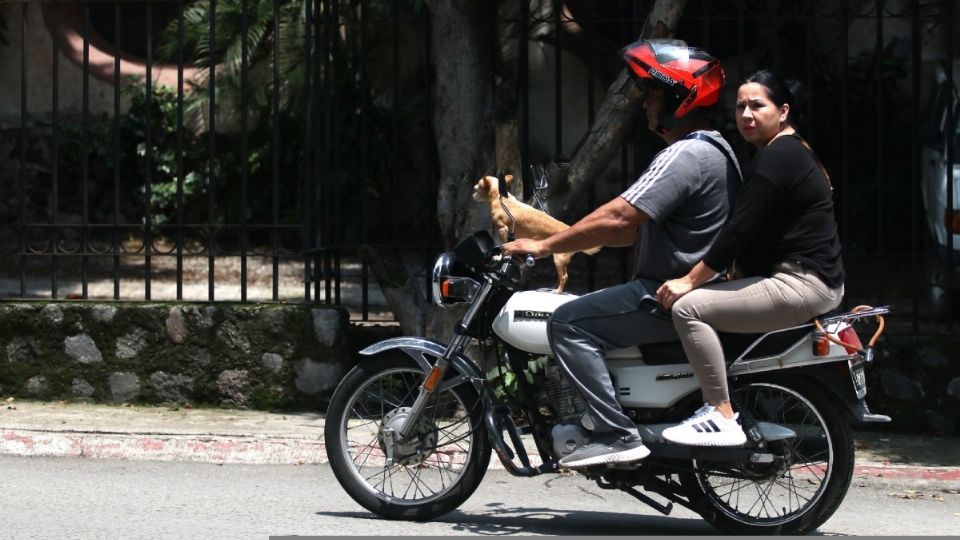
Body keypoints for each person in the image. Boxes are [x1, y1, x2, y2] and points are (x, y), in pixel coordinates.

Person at [501, 39, 741, 468]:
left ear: (679, 98)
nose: (646, 103)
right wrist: (582, 239)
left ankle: (614, 433)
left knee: (568, 323)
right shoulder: (713, 150)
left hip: (665, 295)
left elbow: (620, 217)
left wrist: (543, 244)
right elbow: (627, 234)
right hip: (680, 292)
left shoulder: (687, 154)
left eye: (653, 93)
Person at [656, 69, 845, 446]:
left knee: (688, 308)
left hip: (800, 283)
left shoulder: (778, 157)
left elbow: (739, 231)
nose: (746, 115)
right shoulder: (793, 151)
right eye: (740, 106)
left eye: (757, 105)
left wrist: (688, 281)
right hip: (810, 280)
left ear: (784, 110)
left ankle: (720, 412)